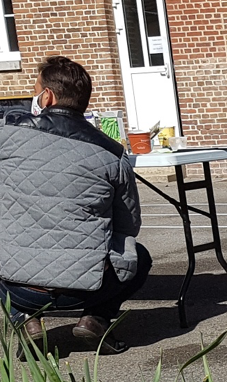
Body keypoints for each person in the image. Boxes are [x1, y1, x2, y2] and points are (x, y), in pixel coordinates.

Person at [0, 55, 151, 355]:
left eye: (36, 90)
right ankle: (96, 318)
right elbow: (129, 225)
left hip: (17, 287)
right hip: (88, 288)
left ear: (47, 96)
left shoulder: (7, 138)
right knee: (140, 257)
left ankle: (24, 317)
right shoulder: (112, 154)